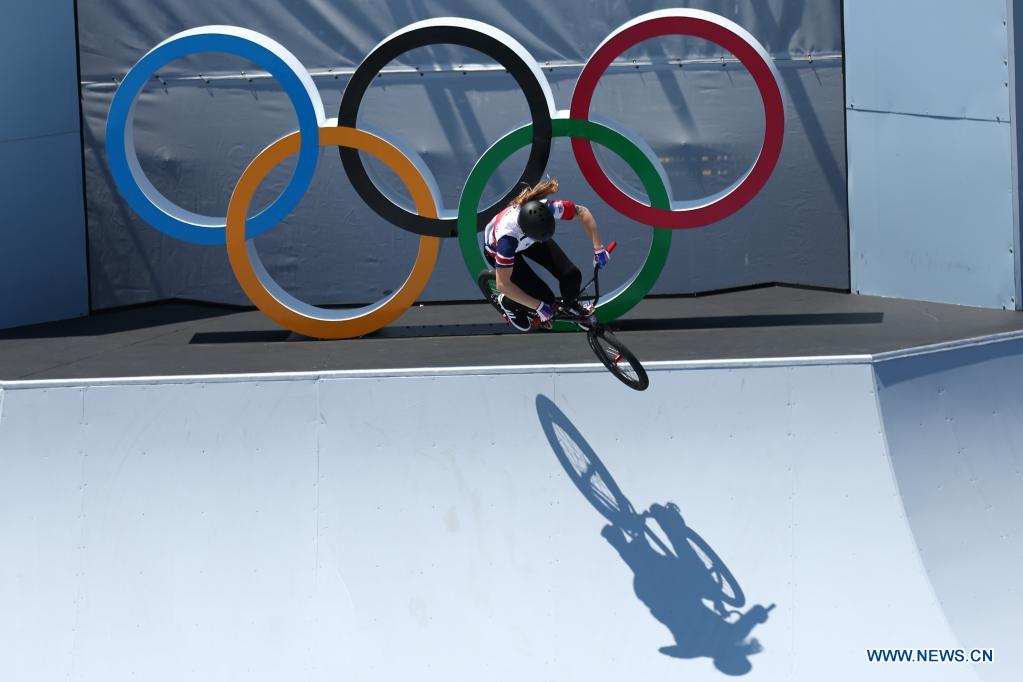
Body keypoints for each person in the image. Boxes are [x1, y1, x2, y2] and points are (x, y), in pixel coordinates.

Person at [484, 178, 611, 331]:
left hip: (530, 238)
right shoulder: (507, 239)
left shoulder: (546, 207)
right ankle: (508, 303)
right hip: (499, 249)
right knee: (544, 298)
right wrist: (538, 306)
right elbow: (502, 285)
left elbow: (583, 213)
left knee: (571, 275)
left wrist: (598, 247)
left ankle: (572, 306)